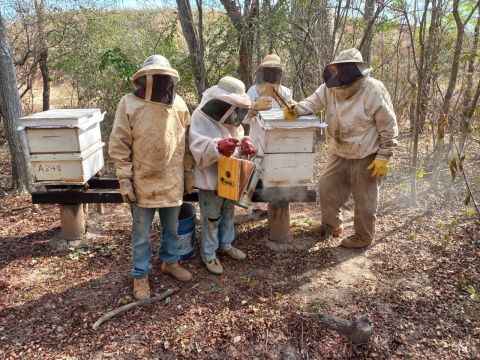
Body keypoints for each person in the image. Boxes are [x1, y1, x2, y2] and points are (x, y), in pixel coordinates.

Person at [288, 48, 398, 249]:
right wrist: (296, 109)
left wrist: (384, 155)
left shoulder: (373, 89)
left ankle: (363, 237)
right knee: (326, 186)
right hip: (339, 151)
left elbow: (389, 125)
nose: (342, 74)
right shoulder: (330, 87)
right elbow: (313, 102)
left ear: (358, 70)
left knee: (364, 198)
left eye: (346, 70)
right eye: (339, 69)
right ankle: (331, 226)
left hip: (366, 153)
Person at [108, 55, 195, 300]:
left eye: (163, 78)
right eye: (155, 78)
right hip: (143, 179)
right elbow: (119, 143)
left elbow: (185, 144)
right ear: (145, 79)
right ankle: (140, 275)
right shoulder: (128, 103)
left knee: (172, 228)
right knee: (140, 233)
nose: (160, 83)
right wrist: (124, 178)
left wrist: (188, 173)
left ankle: (170, 261)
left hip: (172, 178)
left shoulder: (179, 105)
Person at [189, 76, 255, 274]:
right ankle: (209, 254)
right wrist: (217, 146)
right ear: (222, 102)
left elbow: (238, 131)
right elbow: (196, 144)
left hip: (230, 173)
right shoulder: (201, 115)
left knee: (228, 212)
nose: (237, 112)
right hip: (210, 177)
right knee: (211, 217)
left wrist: (245, 141)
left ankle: (226, 244)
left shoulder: (231, 114)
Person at [245, 54, 296, 217]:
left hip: (278, 137)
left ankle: (276, 202)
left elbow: (291, 116)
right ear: (263, 72)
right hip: (257, 136)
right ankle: (256, 207)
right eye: (269, 71)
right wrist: (253, 108)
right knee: (256, 169)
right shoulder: (253, 90)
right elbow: (243, 118)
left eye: (275, 71)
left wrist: (289, 108)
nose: (272, 74)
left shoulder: (286, 91)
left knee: (277, 168)